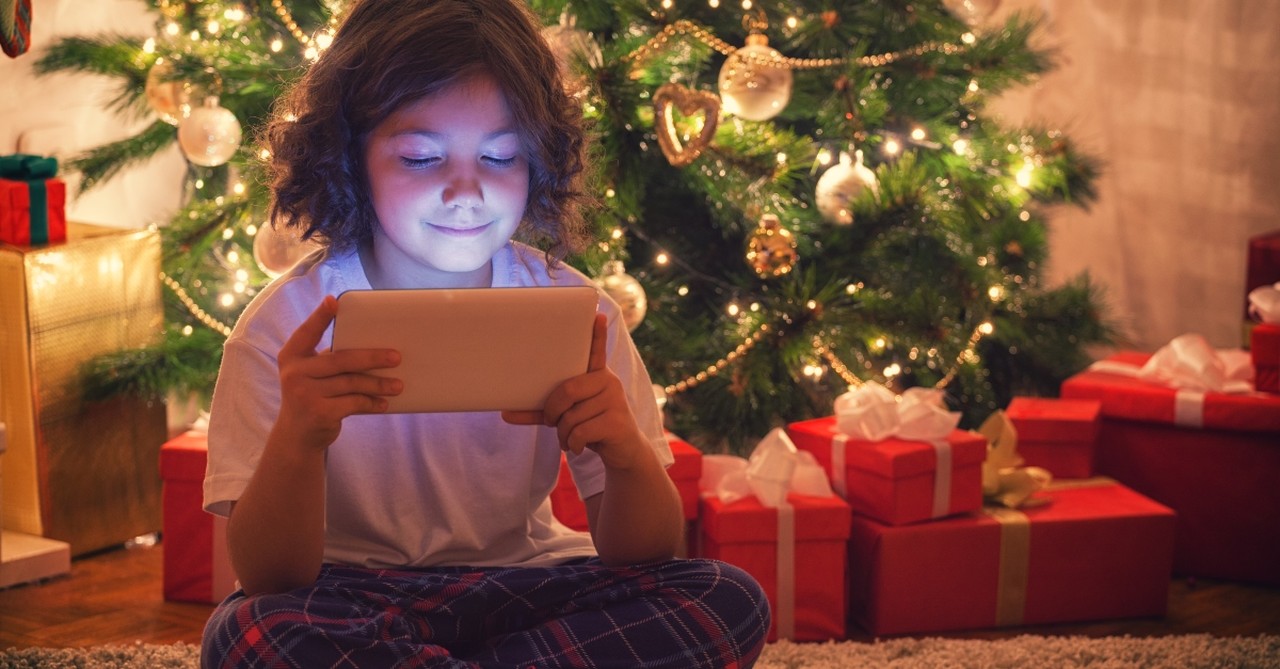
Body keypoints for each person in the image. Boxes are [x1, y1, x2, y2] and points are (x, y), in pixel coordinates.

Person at [199, 0, 770, 667]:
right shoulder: (284, 327)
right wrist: (297, 438)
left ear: (538, 160)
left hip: (528, 583)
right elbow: (271, 575)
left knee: (727, 597)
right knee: (250, 634)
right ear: (350, 155)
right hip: (347, 593)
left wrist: (625, 453)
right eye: (419, 158)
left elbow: (647, 550)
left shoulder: (572, 307)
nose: (465, 190)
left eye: (501, 155)